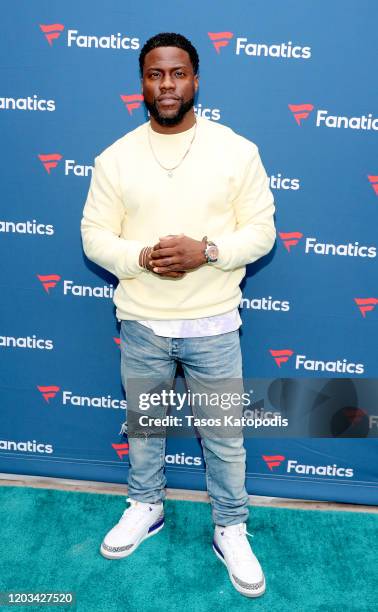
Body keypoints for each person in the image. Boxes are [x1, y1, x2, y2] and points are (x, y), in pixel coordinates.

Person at [81, 32, 275, 598]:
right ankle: (146, 507)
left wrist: (207, 250)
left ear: (196, 79)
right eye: (155, 75)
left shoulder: (237, 151)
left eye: (178, 73)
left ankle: (231, 527)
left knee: (224, 436)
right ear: (142, 82)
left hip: (214, 323)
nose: (167, 85)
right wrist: (140, 258)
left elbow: (261, 231)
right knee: (145, 429)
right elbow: (94, 237)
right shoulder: (115, 157)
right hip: (142, 323)